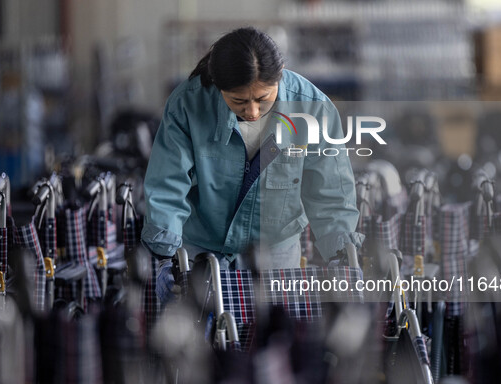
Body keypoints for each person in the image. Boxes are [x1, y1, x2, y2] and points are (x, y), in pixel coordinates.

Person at [141, 27, 363, 304]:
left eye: (263, 98)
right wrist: (163, 256)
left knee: (275, 339)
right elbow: (167, 185)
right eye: (239, 101)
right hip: (201, 249)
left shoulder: (313, 108)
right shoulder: (187, 104)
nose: (253, 111)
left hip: (276, 254)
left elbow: (331, 195)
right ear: (218, 84)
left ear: (279, 74)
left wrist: (342, 257)